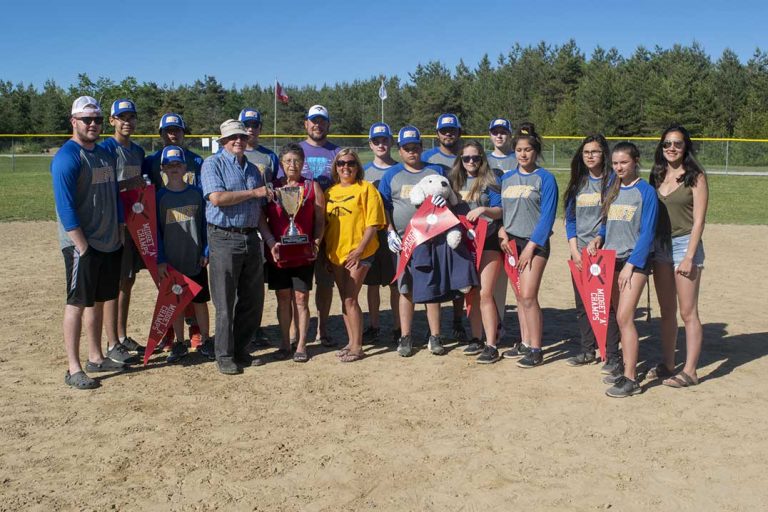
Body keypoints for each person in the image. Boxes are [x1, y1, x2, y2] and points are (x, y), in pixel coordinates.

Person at [52, 96, 126, 389]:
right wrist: (82, 246)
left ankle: (96, 356)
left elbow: (115, 193)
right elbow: (66, 207)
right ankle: (73, 368)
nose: (93, 124)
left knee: (98, 300)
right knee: (77, 304)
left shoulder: (105, 154)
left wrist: (119, 227)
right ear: (74, 122)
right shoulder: (67, 157)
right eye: (86, 120)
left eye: (96, 119)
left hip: (108, 241)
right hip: (82, 246)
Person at [201, 119, 273, 375]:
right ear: (223, 141)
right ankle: (224, 354)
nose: (238, 141)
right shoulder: (212, 164)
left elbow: (259, 212)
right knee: (225, 301)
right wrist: (254, 193)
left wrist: (271, 241)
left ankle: (242, 349)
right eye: (233, 137)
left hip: (251, 237)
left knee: (252, 300)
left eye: (242, 137)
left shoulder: (253, 170)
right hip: (223, 238)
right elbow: (217, 198)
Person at [588, 142, 658, 398]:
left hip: (634, 262)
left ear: (635, 161)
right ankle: (625, 368)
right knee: (618, 315)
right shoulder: (613, 188)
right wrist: (599, 238)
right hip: (611, 259)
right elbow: (608, 222)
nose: (619, 167)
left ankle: (631, 379)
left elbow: (647, 232)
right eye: (615, 163)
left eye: (624, 162)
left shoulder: (645, 192)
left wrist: (632, 264)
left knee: (625, 318)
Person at [649, 125, 708, 388]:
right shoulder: (657, 174)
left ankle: (691, 370)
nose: (671, 148)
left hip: (685, 245)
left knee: (688, 312)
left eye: (677, 144)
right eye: (667, 144)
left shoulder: (695, 176)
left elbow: (699, 221)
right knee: (667, 311)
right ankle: (669, 363)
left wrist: (690, 256)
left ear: (686, 147)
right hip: (661, 247)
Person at [378, 125, 445, 357]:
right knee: (405, 288)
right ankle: (406, 336)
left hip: (431, 239)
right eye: (406, 148)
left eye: (415, 147)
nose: (411, 152)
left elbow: (449, 197)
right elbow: (384, 205)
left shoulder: (434, 171)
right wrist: (389, 231)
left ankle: (435, 335)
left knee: (431, 287)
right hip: (404, 240)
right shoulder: (392, 175)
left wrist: (443, 200)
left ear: (421, 147)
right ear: (400, 150)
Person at [277, 105, 340, 347]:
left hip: (327, 224)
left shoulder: (336, 152)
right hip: (297, 228)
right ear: (306, 124)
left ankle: (322, 329)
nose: (318, 125)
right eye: (313, 121)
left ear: (328, 124)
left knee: (324, 281)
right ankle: (294, 329)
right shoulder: (295, 151)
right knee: (296, 284)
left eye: (322, 121)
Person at [143, 113, 207, 351]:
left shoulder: (196, 161)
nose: (173, 134)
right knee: (169, 288)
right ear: (161, 134)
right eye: (168, 130)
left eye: (177, 130)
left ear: (183, 133)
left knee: (194, 286)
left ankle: (196, 330)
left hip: (190, 227)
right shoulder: (151, 161)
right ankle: (171, 333)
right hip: (165, 230)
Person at [498, 123, 558, 368]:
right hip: (511, 243)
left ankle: (536, 348)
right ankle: (524, 341)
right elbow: (502, 210)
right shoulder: (506, 178)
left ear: (536, 152)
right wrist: (502, 232)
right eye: (519, 150)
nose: (523, 154)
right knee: (520, 296)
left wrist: (531, 247)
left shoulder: (545, 178)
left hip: (535, 244)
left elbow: (547, 216)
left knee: (529, 296)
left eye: (528, 150)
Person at [563, 134, 621, 372]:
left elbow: (611, 216)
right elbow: (570, 219)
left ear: (603, 155)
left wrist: (600, 238)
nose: (590, 156)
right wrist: (574, 249)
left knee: (605, 305)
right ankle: (588, 349)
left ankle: (612, 354)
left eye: (595, 152)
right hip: (580, 252)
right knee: (583, 304)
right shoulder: (578, 182)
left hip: (603, 252)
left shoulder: (611, 182)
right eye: (586, 152)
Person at [263, 143, 325, 363]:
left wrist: (316, 243)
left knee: (301, 298)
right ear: (281, 163)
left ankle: (301, 344)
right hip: (279, 253)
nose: (292, 165)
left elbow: (320, 221)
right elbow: (262, 218)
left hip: (303, 253)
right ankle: (284, 343)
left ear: (303, 163)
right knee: (282, 298)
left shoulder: (311, 187)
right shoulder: (273, 188)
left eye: (297, 160)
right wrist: (271, 242)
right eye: (288, 160)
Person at [325, 149, 386, 362]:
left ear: (357, 166)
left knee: (351, 298)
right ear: (336, 166)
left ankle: (358, 347)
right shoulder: (330, 193)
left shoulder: (366, 189)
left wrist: (359, 250)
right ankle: (351, 342)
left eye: (350, 163)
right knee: (345, 300)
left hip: (359, 252)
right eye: (341, 163)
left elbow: (373, 224)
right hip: (336, 252)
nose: (346, 167)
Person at [448, 141, 503, 363]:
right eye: (466, 158)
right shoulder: (454, 182)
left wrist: (484, 209)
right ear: (460, 160)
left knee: (485, 293)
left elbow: (500, 210)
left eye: (476, 157)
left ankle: (492, 344)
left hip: (488, 240)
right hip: (464, 243)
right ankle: (477, 338)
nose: (471, 162)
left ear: (482, 158)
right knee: (470, 292)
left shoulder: (490, 181)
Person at [99, 99, 146, 363]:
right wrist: (129, 183)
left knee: (128, 281)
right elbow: (102, 188)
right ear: (112, 120)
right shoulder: (105, 149)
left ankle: (122, 333)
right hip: (113, 226)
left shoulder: (137, 151)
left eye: (131, 117)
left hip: (134, 225)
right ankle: (112, 342)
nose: (127, 121)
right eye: (121, 117)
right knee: (114, 283)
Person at [156, 146, 211, 363]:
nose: (174, 168)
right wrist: (160, 260)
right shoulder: (160, 196)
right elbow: (156, 233)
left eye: (178, 164)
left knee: (200, 301)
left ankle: (206, 339)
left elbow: (206, 224)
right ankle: (179, 342)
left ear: (185, 167)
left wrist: (206, 250)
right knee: (176, 304)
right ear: (163, 169)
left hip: (195, 258)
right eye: (170, 165)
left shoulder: (196, 193)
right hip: (172, 261)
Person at [422, 113, 467, 343]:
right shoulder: (429, 159)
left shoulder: (467, 155)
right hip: (435, 224)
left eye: (452, 130)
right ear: (437, 133)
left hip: (461, 219)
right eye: (444, 130)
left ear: (459, 132)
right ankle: (434, 328)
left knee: (460, 275)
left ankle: (458, 320)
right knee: (436, 274)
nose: (448, 134)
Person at [239, 107, 279, 347]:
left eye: (254, 125)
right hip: (241, 221)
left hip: (263, 222)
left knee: (256, 280)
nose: (251, 129)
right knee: (241, 278)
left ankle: (256, 326)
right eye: (247, 125)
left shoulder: (268, 156)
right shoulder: (234, 154)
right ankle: (241, 325)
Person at [362, 122, 400, 344]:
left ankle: (397, 326)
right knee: (372, 282)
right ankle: (374, 325)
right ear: (370, 144)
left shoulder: (399, 169)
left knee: (396, 282)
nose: (381, 144)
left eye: (384, 140)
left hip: (394, 233)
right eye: (376, 141)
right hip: (370, 234)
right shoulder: (364, 171)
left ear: (391, 142)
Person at [486, 118, 517, 338]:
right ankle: (492, 324)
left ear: (510, 135)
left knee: (511, 277)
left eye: (503, 132)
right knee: (491, 279)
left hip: (515, 224)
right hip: (490, 225)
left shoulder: (520, 158)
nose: (499, 136)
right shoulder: (484, 161)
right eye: (495, 132)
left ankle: (502, 322)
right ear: (490, 135)